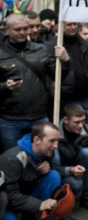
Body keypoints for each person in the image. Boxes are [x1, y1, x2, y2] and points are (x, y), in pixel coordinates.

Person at [0, 13, 70, 150]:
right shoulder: (1, 53)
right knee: (15, 161)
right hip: (10, 119)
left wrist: (66, 61)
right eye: (17, 29)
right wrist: (5, 87)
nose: (22, 32)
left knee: (49, 157)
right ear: (7, 30)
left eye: (25, 29)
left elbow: (57, 75)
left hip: (39, 117)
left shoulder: (40, 49)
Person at [52, 103, 88, 212]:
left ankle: (87, 197)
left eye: (83, 121)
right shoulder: (54, 134)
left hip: (82, 165)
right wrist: (70, 170)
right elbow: (54, 167)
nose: (81, 125)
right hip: (64, 171)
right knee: (75, 184)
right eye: (77, 122)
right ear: (65, 120)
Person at [0, 122, 62, 220]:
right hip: (9, 203)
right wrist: (40, 204)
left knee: (53, 176)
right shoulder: (12, 160)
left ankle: (45, 216)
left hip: (27, 194)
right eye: (52, 141)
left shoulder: (44, 151)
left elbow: (58, 169)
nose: (56, 145)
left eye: (57, 141)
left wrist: (48, 163)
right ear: (36, 140)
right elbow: (9, 195)